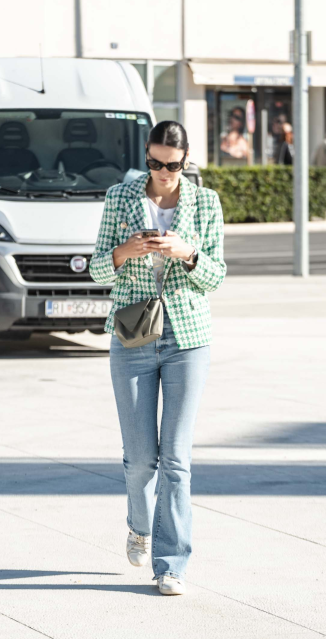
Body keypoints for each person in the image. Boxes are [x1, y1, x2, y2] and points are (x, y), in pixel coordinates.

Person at [90, 120, 226, 597]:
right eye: (154, 162)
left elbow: (216, 276)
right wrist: (124, 252)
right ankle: (139, 524)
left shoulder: (206, 202)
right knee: (141, 459)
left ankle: (171, 565)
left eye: (172, 165)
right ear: (146, 156)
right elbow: (96, 270)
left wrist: (188, 253)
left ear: (186, 160)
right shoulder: (120, 197)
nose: (163, 172)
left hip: (188, 337)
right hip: (133, 335)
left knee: (176, 459)